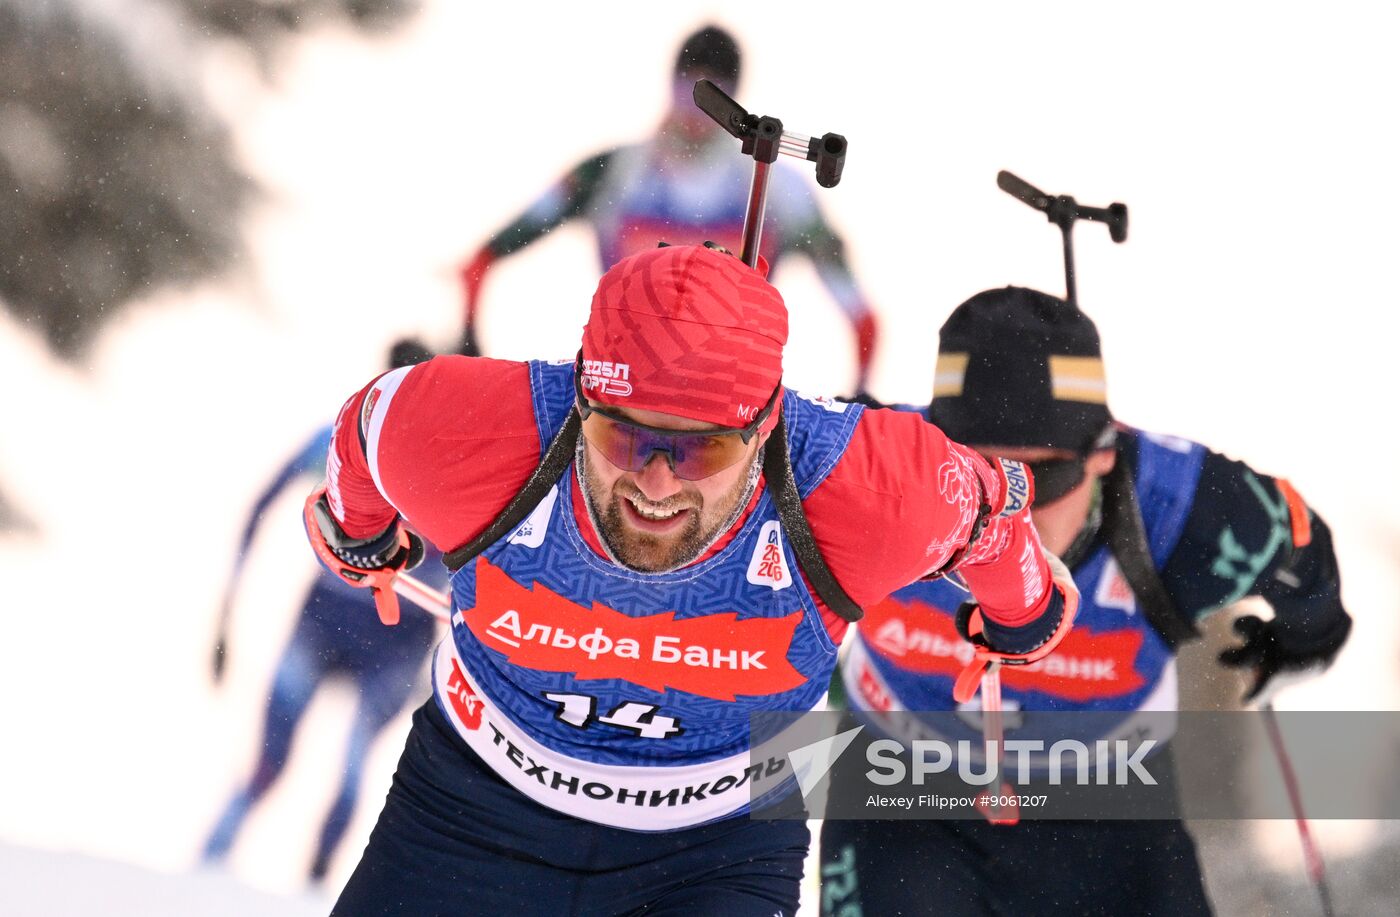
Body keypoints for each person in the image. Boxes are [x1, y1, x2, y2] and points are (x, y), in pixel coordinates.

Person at [304, 244, 1077, 915]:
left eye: (700, 452)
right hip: (467, 816)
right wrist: (358, 531)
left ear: (766, 426)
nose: (655, 484)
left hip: (714, 856)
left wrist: (1026, 611)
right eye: (621, 436)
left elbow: (990, 518)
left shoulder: (865, 490)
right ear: (581, 395)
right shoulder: (472, 430)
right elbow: (363, 427)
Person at [820, 286, 1352, 916]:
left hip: (1109, 803)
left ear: (1103, 454)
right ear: (932, 447)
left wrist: (1301, 641)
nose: (1008, 512)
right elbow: (726, 452)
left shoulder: (1187, 510)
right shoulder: (862, 469)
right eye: (972, 475)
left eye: (1040, 479)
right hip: (903, 795)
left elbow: (1304, 551)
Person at [456, 25, 880, 394]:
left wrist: (859, 392)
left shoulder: (777, 188)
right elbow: (486, 256)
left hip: (729, 402)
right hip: (616, 384)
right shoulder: (612, 173)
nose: (695, 114)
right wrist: (467, 342)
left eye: (713, 96)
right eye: (690, 91)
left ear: (734, 101)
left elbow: (861, 315)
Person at [205, 339, 447, 883]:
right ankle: (225, 865)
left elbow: (260, 508)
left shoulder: (345, 441)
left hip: (375, 630)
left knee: (344, 769)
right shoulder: (350, 443)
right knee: (298, 762)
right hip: (363, 625)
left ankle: (297, 878)